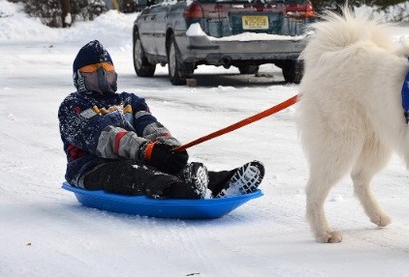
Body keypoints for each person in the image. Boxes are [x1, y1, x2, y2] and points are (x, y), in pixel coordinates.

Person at [58, 40, 265, 199]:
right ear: (79, 78)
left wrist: (169, 148)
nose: (103, 80)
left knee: (172, 167)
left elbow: (150, 126)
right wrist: (146, 151)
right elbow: (103, 136)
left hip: (137, 157)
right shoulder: (73, 106)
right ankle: (186, 192)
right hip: (91, 169)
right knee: (132, 172)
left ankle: (224, 183)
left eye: (107, 73)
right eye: (94, 74)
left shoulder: (129, 100)